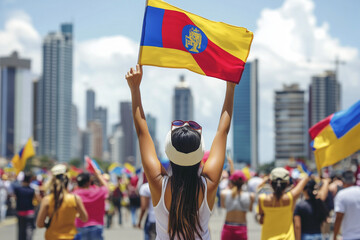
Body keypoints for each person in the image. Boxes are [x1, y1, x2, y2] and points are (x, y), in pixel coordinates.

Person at [126, 64, 236, 240]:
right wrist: (230, 88)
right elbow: (223, 131)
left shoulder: (158, 184)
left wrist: (135, 89)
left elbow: (142, 131)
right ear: (200, 154)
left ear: (169, 152)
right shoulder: (209, 184)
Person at [36, 164, 88, 240]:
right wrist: (76, 215)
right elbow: (84, 218)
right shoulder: (75, 198)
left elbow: (40, 224)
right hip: (70, 237)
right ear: (67, 180)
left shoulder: (47, 200)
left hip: (52, 237)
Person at [258, 167, 310, 240]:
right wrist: (308, 176)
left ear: (270, 182)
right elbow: (304, 181)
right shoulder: (291, 198)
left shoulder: (262, 199)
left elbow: (261, 220)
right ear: (287, 183)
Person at [73, 170, 109, 240]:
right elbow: (107, 188)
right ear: (89, 182)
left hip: (79, 226)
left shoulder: (74, 194)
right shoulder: (98, 192)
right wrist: (98, 175)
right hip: (96, 225)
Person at [220, 170, 255, 240]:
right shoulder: (250, 196)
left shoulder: (224, 194)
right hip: (241, 227)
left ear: (231, 182)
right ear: (244, 182)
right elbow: (250, 210)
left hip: (228, 227)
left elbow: (223, 206)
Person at [333, 170, 360, 240]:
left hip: (349, 236)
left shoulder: (341, 195)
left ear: (343, 181)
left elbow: (339, 217)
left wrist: (334, 236)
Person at [13, 172, 41, 240]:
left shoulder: (18, 189)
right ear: (30, 180)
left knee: (21, 231)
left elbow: (15, 198)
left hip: (20, 212)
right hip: (29, 212)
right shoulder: (32, 190)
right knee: (29, 230)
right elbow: (38, 200)